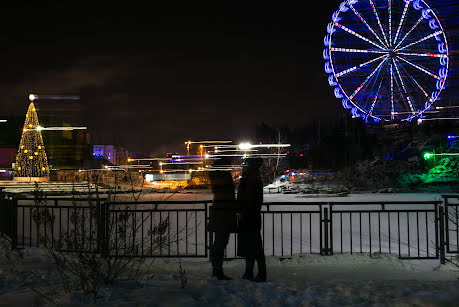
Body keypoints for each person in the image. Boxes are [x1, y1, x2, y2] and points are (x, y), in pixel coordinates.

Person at [208, 157, 239, 280]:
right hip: (224, 214)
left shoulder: (217, 176)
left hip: (221, 213)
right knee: (221, 242)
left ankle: (217, 269)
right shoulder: (222, 176)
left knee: (220, 242)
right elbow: (227, 195)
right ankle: (217, 270)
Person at [237, 157, 266, 282]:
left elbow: (248, 200)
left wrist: (242, 212)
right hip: (251, 217)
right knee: (254, 246)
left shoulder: (251, 179)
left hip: (249, 218)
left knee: (254, 247)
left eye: (246, 165)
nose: (244, 167)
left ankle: (257, 273)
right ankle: (254, 273)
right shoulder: (253, 178)